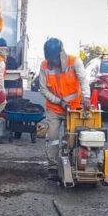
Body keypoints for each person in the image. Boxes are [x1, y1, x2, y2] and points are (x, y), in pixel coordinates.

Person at [38, 38, 90, 179]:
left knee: (71, 138)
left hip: (73, 108)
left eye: (54, 59)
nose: (52, 63)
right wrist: (59, 102)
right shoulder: (44, 66)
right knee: (53, 137)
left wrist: (86, 97)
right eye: (50, 59)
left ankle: (69, 163)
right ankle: (53, 167)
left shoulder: (74, 62)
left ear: (61, 54)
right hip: (54, 108)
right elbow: (43, 89)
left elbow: (83, 80)